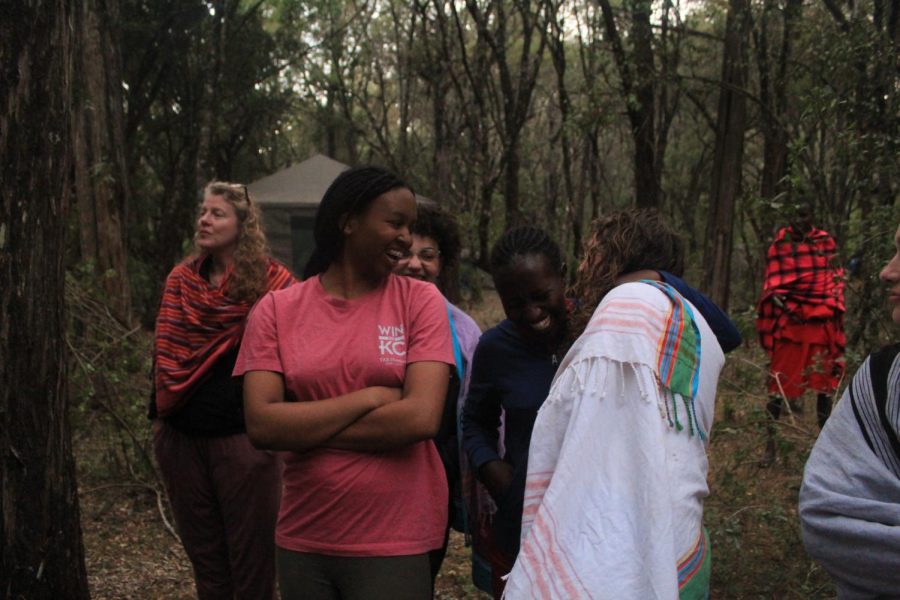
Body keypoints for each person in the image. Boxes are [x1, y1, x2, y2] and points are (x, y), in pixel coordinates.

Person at [463, 224, 740, 598]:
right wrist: (493, 471)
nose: (531, 312)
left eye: (541, 295)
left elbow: (725, 334)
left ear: (562, 276)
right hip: (522, 514)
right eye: (514, 304)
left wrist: (656, 279)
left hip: (602, 519)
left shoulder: (602, 322)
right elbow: (475, 421)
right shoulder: (495, 348)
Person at [233, 166, 454, 600]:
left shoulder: (420, 301)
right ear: (349, 221)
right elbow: (261, 426)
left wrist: (302, 430)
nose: (407, 238)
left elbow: (421, 418)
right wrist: (371, 397)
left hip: (395, 537)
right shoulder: (277, 310)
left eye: (410, 226)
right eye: (395, 223)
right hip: (305, 537)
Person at [151, 181, 294, 600]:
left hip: (244, 443)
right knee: (208, 565)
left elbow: (297, 359)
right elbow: (163, 357)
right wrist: (162, 423)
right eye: (203, 211)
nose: (204, 220)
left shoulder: (275, 284)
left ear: (243, 224)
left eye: (217, 213)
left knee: (252, 566)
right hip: (182, 440)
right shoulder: (182, 281)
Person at [798, 222, 900, 598]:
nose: (886, 271)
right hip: (801, 329)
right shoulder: (882, 377)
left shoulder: (825, 247)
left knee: (823, 382)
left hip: (822, 328)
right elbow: (824, 513)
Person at [392, 204, 484, 587]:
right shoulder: (366, 318)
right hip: (375, 482)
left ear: (442, 263)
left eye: (427, 256)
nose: (415, 265)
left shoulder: (464, 331)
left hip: (435, 487)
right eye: (405, 254)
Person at [757, 202, 845, 463]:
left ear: (812, 217)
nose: (800, 220)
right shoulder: (780, 246)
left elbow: (835, 282)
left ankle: (825, 451)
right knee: (777, 387)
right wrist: (788, 306)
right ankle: (770, 448)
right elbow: (772, 287)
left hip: (820, 328)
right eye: (796, 214)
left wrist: (826, 305)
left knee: (824, 390)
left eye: (805, 214)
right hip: (791, 329)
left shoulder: (825, 243)